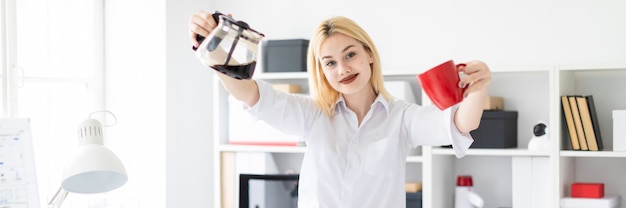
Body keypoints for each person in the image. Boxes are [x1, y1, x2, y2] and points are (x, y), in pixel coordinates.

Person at [189, 10, 491, 208]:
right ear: (322, 70)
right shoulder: (312, 115)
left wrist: (478, 88)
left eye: (350, 55)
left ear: (369, 54)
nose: (343, 69)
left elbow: (459, 123)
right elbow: (253, 95)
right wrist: (214, 49)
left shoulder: (402, 118)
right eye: (330, 62)